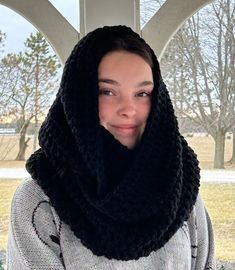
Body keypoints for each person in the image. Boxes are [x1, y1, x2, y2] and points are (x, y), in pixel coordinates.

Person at [7, 25, 215, 269]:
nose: (128, 108)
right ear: (78, 98)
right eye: (107, 91)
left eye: (143, 93)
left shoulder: (181, 187)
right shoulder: (38, 200)